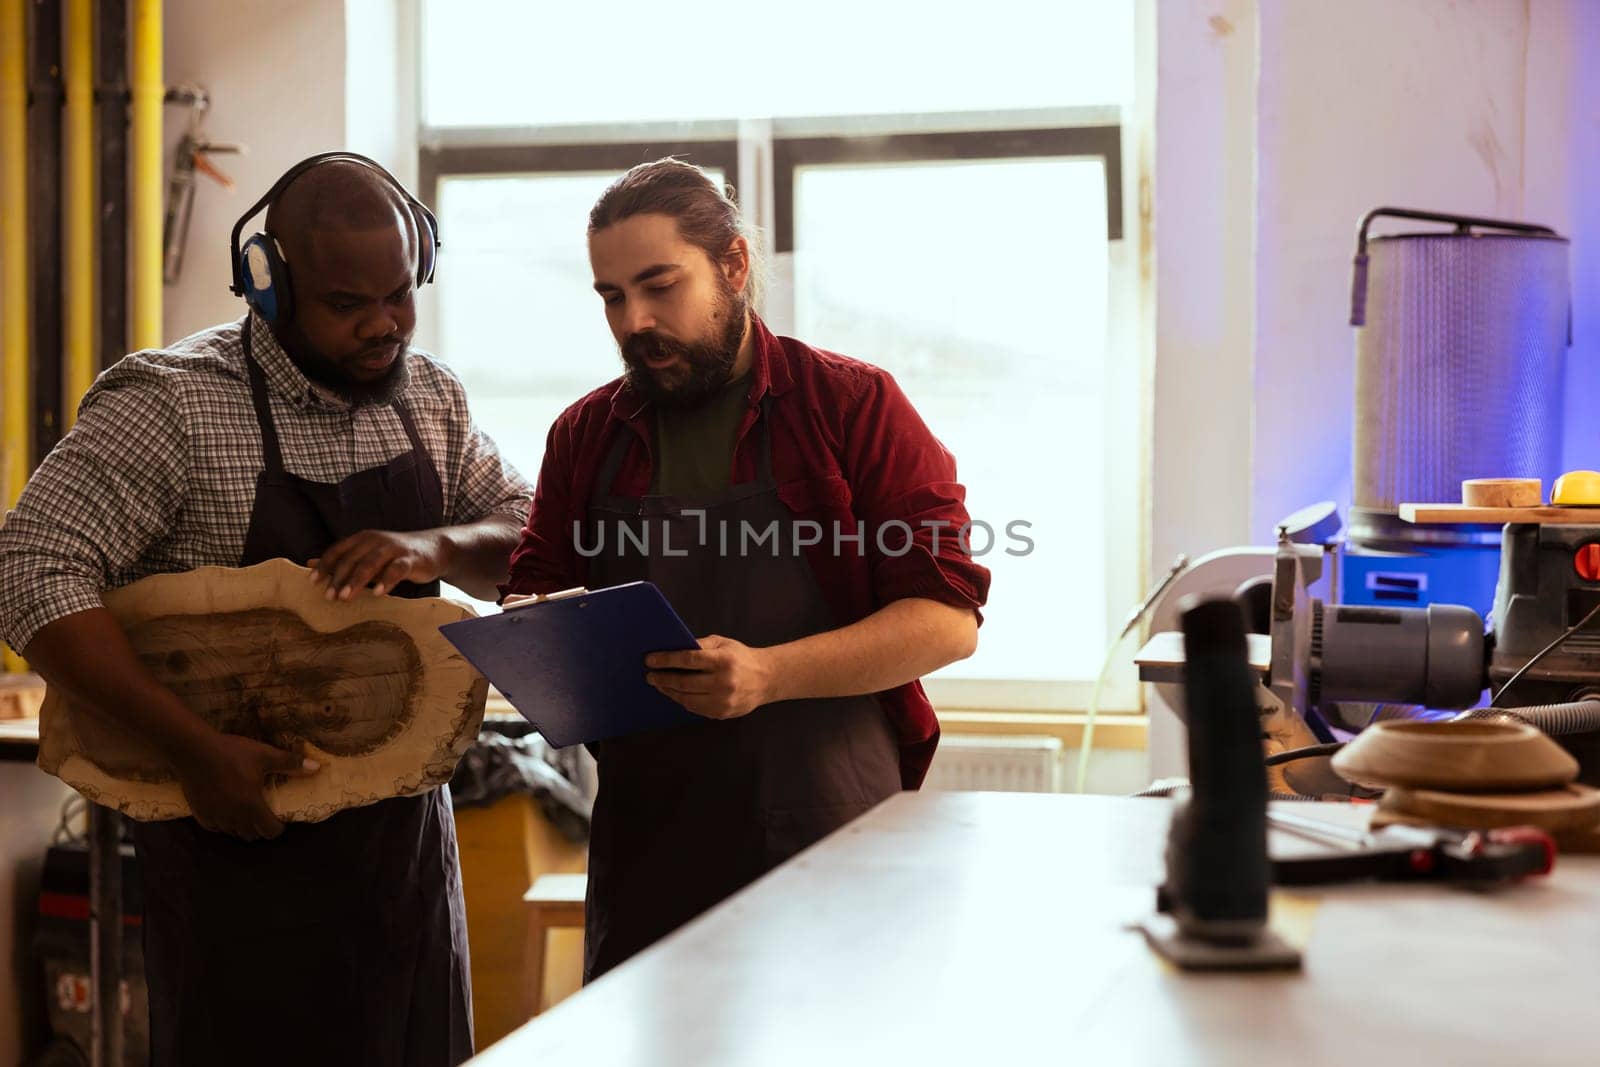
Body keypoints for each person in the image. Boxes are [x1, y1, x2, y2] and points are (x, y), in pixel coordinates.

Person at [0, 153, 533, 1066]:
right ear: (269, 286)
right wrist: (191, 750)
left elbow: (526, 533)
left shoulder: (430, 396)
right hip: (231, 853)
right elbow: (30, 570)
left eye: (401, 294)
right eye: (346, 304)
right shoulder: (170, 404)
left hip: (403, 856)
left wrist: (433, 546)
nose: (383, 326)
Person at [503, 157, 991, 981]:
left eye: (661, 286)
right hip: (650, 842)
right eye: (613, 298)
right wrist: (540, 632)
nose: (636, 321)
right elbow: (534, 588)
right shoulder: (585, 435)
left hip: (829, 820)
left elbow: (946, 620)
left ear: (733, 265)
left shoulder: (853, 407)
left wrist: (767, 673)